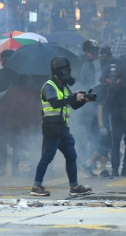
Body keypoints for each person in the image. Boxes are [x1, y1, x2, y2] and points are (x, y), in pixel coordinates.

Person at [31, 57, 94, 197]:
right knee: (47, 157)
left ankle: (74, 187)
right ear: (56, 71)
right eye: (64, 70)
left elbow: (73, 105)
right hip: (52, 127)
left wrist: (85, 100)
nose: (67, 73)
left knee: (71, 155)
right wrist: (73, 97)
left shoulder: (64, 86)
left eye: (68, 70)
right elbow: (55, 103)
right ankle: (36, 186)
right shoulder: (49, 86)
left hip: (63, 128)